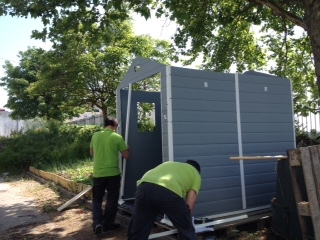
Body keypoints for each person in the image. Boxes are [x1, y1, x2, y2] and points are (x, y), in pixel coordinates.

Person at [127, 160, 201, 240]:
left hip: (144, 187)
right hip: (168, 190)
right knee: (186, 229)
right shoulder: (195, 174)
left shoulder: (170, 164)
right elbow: (190, 202)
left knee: (138, 229)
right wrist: (186, 221)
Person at [90, 117, 130, 236]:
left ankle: (97, 223)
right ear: (115, 126)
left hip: (98, 174)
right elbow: (126, 156)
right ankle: (108, 225)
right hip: (113, 174)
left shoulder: (95, 135)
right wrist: (128, 148)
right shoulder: (117, 137)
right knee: (112, 199)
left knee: (97, 199)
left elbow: (91, 153)